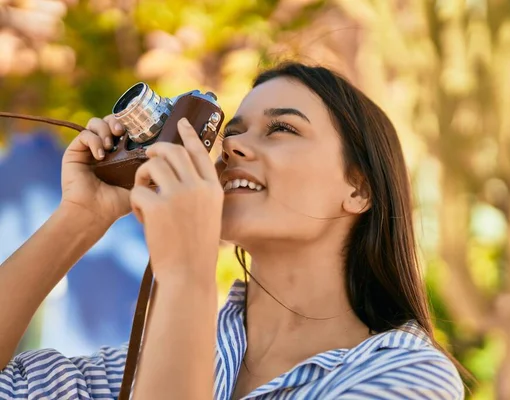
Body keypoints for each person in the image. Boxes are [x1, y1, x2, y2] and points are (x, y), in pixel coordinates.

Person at [0, 62, 465, 399]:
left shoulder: (407, 375)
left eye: (281, 128)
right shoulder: (135, 367)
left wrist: (188, 271)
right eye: (233, 131)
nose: (233, 147)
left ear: (359, 189)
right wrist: (80, 218)